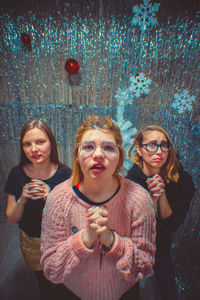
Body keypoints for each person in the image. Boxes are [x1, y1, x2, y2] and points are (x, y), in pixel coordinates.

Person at [40, 115, 156, 300]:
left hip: (123, 294)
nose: (99, 154)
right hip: (72, 293)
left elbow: (144, 266)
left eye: (108, 147)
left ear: (119, 157)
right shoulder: (58, 199)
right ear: (77, 155)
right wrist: (85, 239)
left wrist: (113, 242)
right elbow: (51, 269)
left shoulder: (139, 199)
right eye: (88, 147)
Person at [126, 125, 195, 300]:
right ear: (139, 149)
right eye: (152, 145)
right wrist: (150, 199)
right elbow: (134, 229)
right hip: (132, 250)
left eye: (164, 145)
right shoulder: (128, 184)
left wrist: (162, 194)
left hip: (162, 248)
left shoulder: (181, 180)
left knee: (168, 293)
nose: (159, 151)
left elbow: (171, 225)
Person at [5, 120, 72, 300]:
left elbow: (72, 217)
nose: (33, 149)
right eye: (27, 144)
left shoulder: (66, 175)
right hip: (31, 240)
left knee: (63, 282)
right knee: (43, 284)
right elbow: (12, 218)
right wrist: (22, 199)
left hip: (60, 239)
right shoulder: (17, 173)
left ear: (51, 144)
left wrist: (50, 197)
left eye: (40, 142)